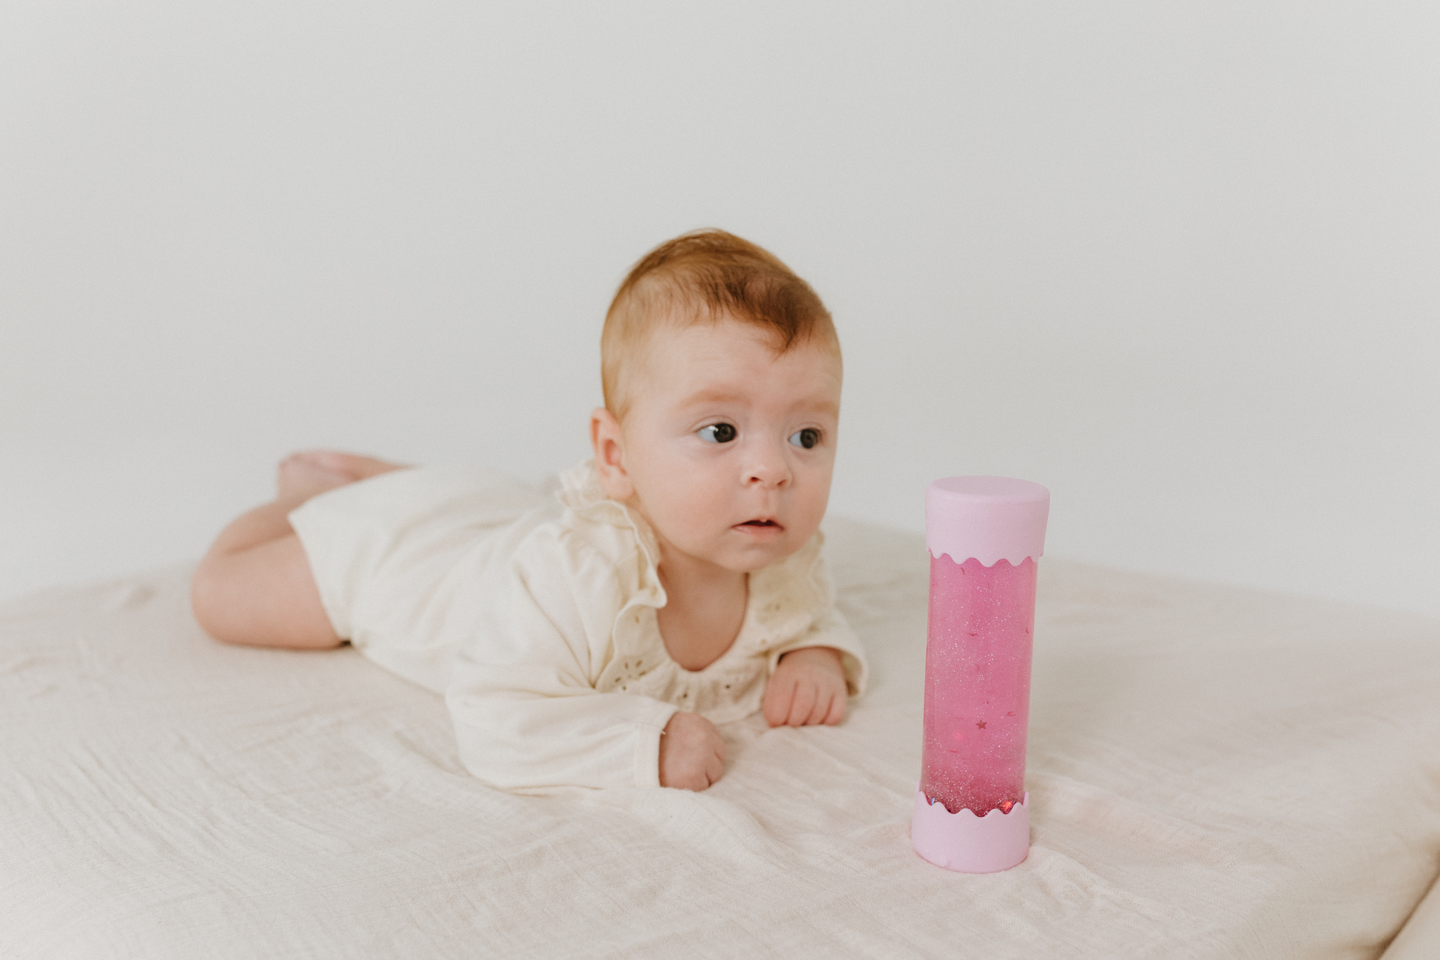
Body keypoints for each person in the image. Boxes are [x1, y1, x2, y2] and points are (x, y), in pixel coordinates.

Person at [190, 229, 867, 793]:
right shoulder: (578, 576)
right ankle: (311, 495)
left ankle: (404, 478)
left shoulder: (776, 551)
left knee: (494, 504)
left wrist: (816, 655)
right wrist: (641, 743)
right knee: (221, 596)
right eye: (720, 431)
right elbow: (495, 712)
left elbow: (807, 614)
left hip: (507, 512)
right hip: (412, 560)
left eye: (806, 436)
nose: (774, 470)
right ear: (615, 456)